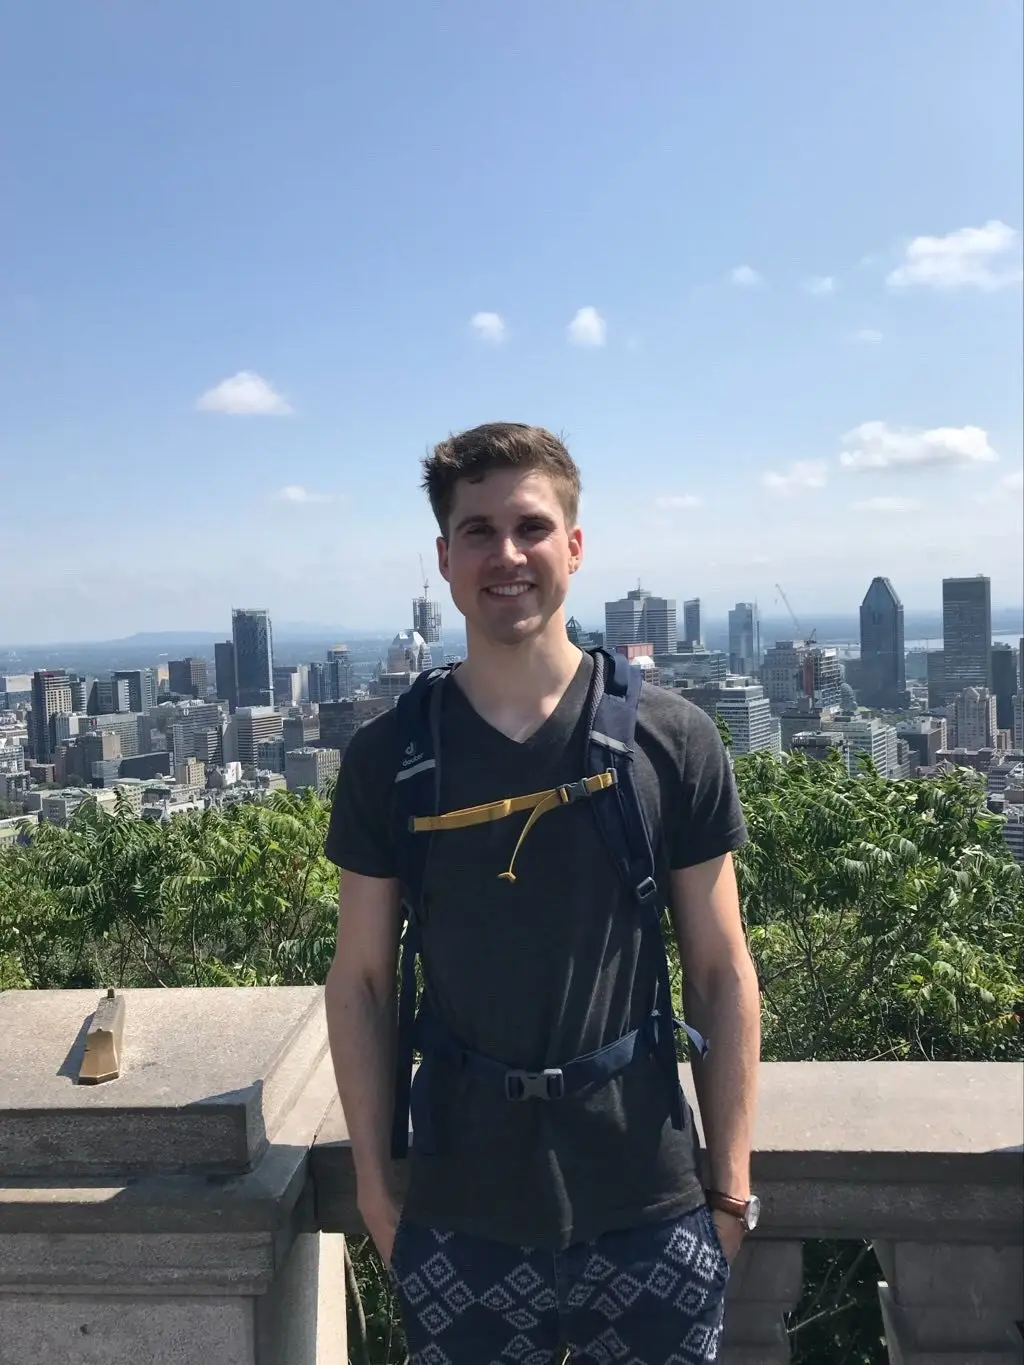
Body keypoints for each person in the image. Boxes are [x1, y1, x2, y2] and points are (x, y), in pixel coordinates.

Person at [324, 422, 761, 1364]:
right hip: (457, 1204)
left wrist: (727, 1189)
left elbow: (722, 970)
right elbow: (359, 979)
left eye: (530, 526)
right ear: (444, 558)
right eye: (477, 531)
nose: (506, 554)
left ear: (574, 545)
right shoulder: (391, 758)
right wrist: (374, 1184)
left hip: (649, 1198)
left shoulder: (671, 739)